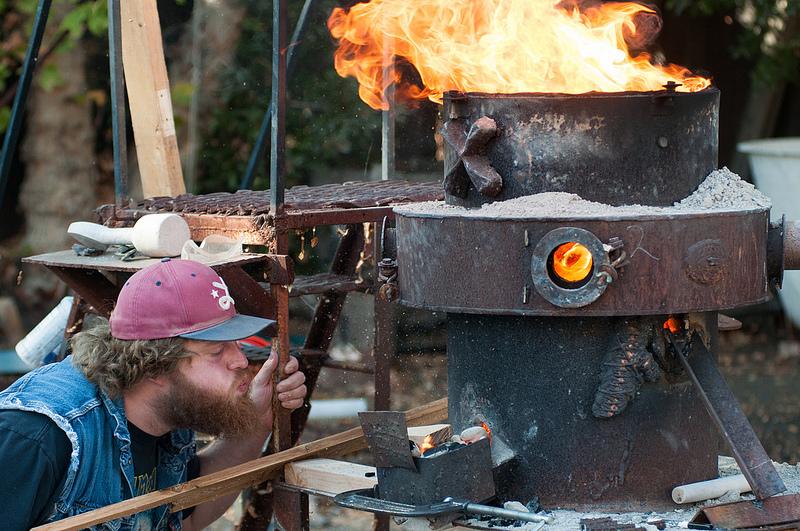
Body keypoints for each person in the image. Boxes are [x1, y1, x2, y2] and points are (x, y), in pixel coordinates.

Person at [0, 258, 307, 529]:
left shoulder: (170, 411)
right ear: (155, 368)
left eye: (237, 343)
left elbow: (187, 518)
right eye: (216, 351)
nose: (241, 360)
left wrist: (256, 420)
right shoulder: (39, 436)